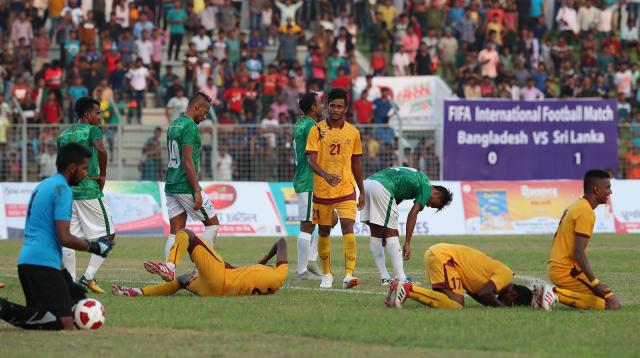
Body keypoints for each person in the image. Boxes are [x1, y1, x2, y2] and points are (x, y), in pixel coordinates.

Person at [0, 143, 114, 330]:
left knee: (43, 316)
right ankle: (3, 308)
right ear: (72, 168)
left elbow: (48, 237)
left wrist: (65, 278)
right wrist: (94, 247)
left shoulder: (44, 185)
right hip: (41, 265)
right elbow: (64, 237)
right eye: (84, 168)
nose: (86, 173)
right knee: (65, 322)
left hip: (29, 262)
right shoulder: (62, 190)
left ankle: (5, 308)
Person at [144, 92, 220, 282]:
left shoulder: (174, 124)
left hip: (171, 183)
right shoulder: (190, 127)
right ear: (196, 107)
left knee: (176, 231)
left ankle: (169, 268)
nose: (205, 116)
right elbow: (187, 160)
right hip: (185, 185)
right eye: (205, 111)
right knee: (213, 225)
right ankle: (199, 271)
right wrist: (196, 189)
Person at [305, 88, 365, 289]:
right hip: (322, 191)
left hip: (346, 189)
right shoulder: (317, 129)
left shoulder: (353, 132)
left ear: (346, 108)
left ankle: (349, 274)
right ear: (328, 106)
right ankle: (327, 274)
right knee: (323, 230)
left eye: (340, 107)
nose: (335, 110)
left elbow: (356, 163)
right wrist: (325, 175)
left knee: (348, 226)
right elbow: (310, 161)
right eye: (332, 106)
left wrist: (362, 190)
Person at [112, 229, 286, 297]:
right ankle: (136, 292)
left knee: (187, 234)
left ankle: (169, 266)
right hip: (213, 292)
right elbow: (234, 271)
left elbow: (281, 243)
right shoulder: (278, 278)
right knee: (182, 280)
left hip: (218, 280)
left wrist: (264, 259)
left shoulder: (279, 272)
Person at [56, 97, 115, 294]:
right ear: (87, 114)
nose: (99, 117)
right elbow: (101, 149)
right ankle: (87, 278)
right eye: (97, 113)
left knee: (68, 237)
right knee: (108, 235)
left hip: (67, 192)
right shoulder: (92, 130)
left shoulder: (63, 135)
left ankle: (69, 283)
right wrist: (103, 174)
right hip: (88, 189)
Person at [362, 167, 453, 285]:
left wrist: (384, 229)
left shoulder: (412, 182)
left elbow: (392, 203)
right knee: (392, 234)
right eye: (434, 204)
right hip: (383, 186)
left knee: (376, 232)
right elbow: (413, 213)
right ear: (437, 193)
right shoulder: (426, 185)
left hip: (368, 184)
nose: (429, 206)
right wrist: (407, 243)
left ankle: (385, 277)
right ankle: (401, 279)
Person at [547, 169, 621, 310]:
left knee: (604, 300)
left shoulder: (577, 205)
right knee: (612, 304)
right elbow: (578, 252)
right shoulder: (586, 212)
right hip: (567, 271)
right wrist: (594, 282)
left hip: (558, 267)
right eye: (608, 187)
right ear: (596, 189)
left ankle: (555, 294)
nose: (610, 192)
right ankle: (552, 293)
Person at [386, 243, 535, 309]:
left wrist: (493, 305)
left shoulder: (493, 281)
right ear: (513, 295)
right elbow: (485, 293)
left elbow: (478, 294)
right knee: (456, 305)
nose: (502, 303)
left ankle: (399, 290)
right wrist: (502, 309)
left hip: (442, 255)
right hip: (445, 257)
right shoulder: (506, 275)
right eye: (509, 304)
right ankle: (407, 289)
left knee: (447, 302)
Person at [292, 93, 327, 280]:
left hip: (309, 180)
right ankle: (301, 271)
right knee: (307, 225)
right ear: (313, 108)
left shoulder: (300, 124)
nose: (323, 106)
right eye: (320, 103)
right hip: (308, 181)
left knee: (331, 219)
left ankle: (311, 259)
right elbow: (314, 155)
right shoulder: (312, 127)